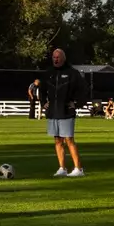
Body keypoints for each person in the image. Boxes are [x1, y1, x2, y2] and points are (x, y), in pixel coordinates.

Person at [39, 48, 86, 177]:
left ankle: (78, 169)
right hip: (53, 112)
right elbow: (42, 91)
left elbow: (84, 91)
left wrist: (76, 104)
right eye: (54, 57)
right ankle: (62, 168)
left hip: (66, 112)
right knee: (57, 140)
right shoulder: (48, 73)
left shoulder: (73, 73)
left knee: (69, 140)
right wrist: (44, 103)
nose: (56, 59)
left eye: (58, 57)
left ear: (63, 58)